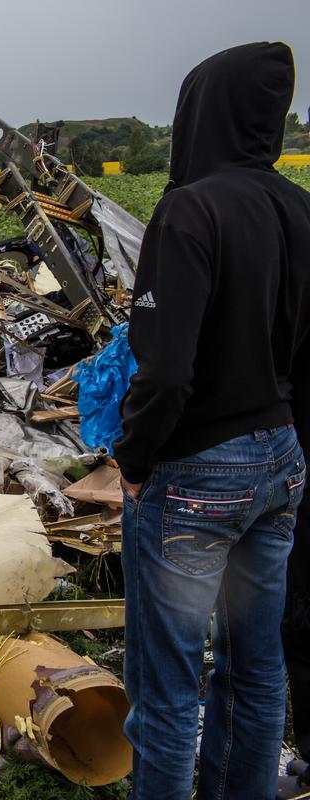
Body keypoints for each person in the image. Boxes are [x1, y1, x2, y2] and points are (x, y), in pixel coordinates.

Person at [114, 42, 310, 800]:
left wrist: (134, 457)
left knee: (166, 685)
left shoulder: (190, 209)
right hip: (280, 458)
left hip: (199, 470)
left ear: (203, 112)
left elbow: (164, 371)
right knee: (256, 669)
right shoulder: (298, 208)